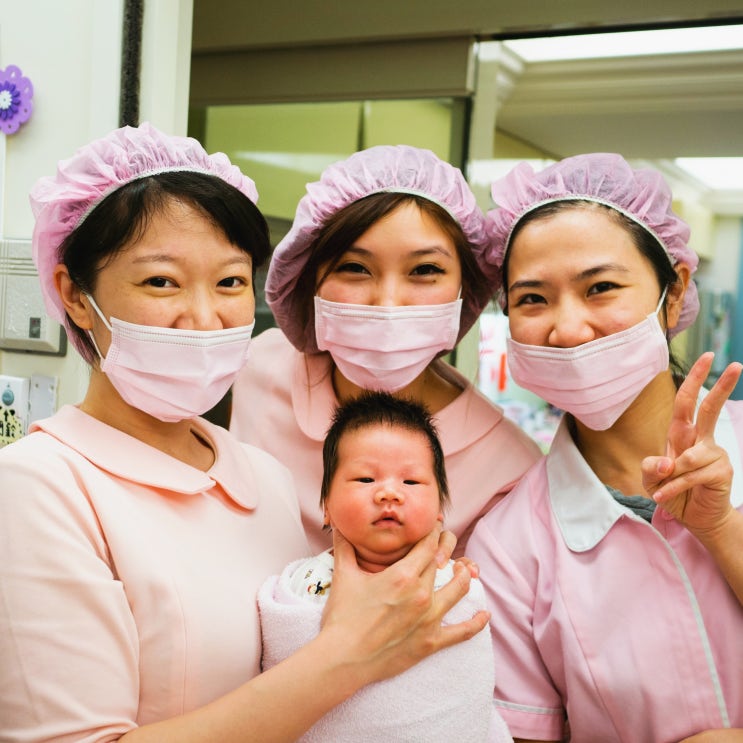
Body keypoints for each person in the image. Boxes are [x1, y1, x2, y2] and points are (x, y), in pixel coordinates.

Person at [0, 123, 489, 743]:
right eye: (161, 281)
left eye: (230, 282)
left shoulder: (264, 477)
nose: (204, 317)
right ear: (74, 293)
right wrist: (347, 659)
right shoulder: (39, 487)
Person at [465, 153, 743, 743]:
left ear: (674, 293)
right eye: (532, 299)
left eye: (601, 287)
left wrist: (723, 532)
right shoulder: (509, 547)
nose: (566, 329)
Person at [229, 144, 542, 555]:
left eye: (425, 270)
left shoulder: (507, 467)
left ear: (466, 290)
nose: (388, 302)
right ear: (310, 278)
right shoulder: (260, 366)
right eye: (355, 268)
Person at [259, 391, 514, 742]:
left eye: (411, 481)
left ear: (440, 509)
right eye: (366, 479)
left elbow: (467, 676)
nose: (389, 493)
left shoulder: (451, 581)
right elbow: (284, 653)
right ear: (327, 507)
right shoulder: (301, 584)